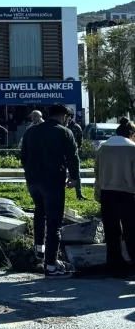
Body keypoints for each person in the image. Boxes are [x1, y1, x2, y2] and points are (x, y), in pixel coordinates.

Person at [20, 103, 80, 279]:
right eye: (67, 117)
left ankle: (39, 249)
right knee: (54, 223)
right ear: (63, 116)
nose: (68, 121)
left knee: (40, 212)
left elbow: (23, 156)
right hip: (52, 182)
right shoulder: (64, 132)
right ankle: (51, 266)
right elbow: (73, 157)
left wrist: (30, 173)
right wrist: (74, 177)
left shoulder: (31, 131)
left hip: (33, 181)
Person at [92, 117, 135, 278]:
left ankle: (115, 264)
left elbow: (97, 173)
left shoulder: (103, 148)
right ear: (131, 134)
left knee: (111, 231)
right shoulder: (132, 149)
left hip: (107, 194)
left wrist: (98, 194)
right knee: (131, 231)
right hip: (128, 195)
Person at [66, 115, 86, 200]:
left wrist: (77, 149)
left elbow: (80, 139)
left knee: (77, 173)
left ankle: (79, 194)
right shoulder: (61, 126)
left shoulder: (76, 127)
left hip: (73, 153)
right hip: (62, 153)